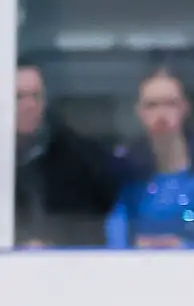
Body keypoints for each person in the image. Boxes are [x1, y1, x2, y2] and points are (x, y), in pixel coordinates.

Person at [105, 68, 194, 250]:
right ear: (139, 111)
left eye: (170, 104)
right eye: (152, 105)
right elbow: (114, 242)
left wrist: (184, 247)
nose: (161, 114)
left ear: (185, 108)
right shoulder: (124, 175)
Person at [13, 59, 121, 248]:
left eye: (36, 96)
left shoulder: (78, 162)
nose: (29, 105)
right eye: (19, 97)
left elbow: (91, 224)